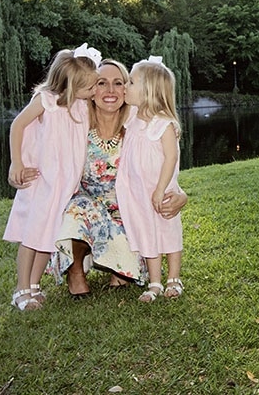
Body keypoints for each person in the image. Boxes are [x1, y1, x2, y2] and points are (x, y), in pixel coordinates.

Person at [45, 58, 188, 297]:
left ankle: (121, 267)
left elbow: (164, 161)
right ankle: (76, 270)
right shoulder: (78, 122)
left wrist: (180, 195)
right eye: (101, 83)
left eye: (119, 83)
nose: (110, 91)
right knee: (76, 212)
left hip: (130, 209)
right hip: (87, 204)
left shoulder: (137, 120)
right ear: (91, 89)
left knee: (135, 254)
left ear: (127, 89)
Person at [3, 43, 102, 311]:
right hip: (42, 181)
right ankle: (21, 289)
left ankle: (35, 285)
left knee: (48, 237)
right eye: (90, 87)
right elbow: (18, 125)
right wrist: (17, 162)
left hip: (63, 185)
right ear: (70, 86)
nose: (94, 91)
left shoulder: (81, 107)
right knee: (32, 235)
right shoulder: (45, 101)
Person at [116, 55, 185, 302]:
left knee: (168, 230)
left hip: (161, 189)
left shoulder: (164, 125)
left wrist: (161, 188)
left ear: (149, 91)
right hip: (138, 191)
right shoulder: (132, 118)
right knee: (148, 234)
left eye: (131, 83)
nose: (126, 87)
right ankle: (154, 282)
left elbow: (170, 158)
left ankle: (173, 278)